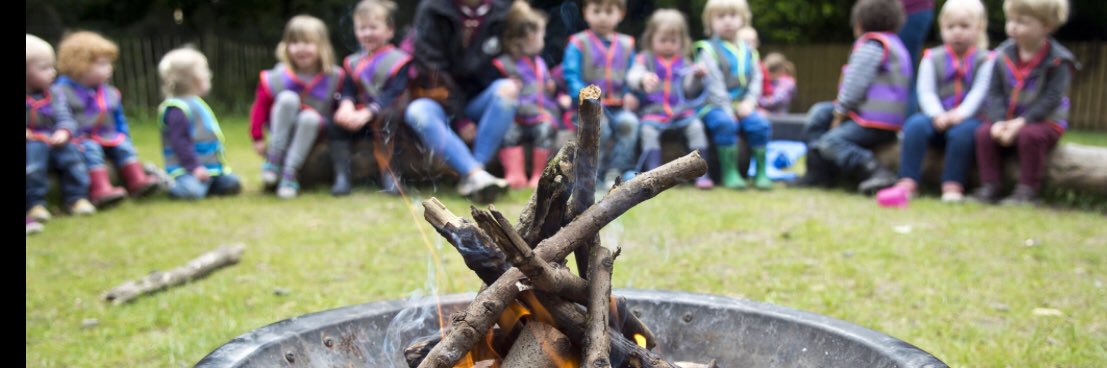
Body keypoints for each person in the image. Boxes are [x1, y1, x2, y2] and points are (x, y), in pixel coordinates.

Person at [877, 0, 993, 204]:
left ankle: (952, 184)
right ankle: (907, 180)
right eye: (950, 27)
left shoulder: (986, 60)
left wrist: (961, 115)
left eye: (964, 26)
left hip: (969, 119)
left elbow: (980, 92)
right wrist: (937, 114)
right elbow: (926, 91)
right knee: (914, 124)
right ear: (942, 28)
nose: (957, 32)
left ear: (979, 28)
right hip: (937, 117)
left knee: (963, 134)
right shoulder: (932, 58)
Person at [797, 0, 913, 194]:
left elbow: (855, 84)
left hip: (872, 122)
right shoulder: (894, 44)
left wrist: (840, 114)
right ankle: (818, 173)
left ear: (859, 23)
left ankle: (875, 172)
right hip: (879, 119)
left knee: (830, 141)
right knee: (818, 113)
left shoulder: (872, 45)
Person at [404, 0, 515, 202]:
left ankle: (474, 172)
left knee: (508, 90)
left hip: (478, 100)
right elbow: (432, 69)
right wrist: (460, 118)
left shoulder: (503, 10)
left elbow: (503, 62)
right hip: (440, 100)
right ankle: (475, 174)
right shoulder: (432, 9)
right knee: (417, 112)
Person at [973, 0, 1076, 206]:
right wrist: (998, 121)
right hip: (1006, 121)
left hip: (1044, 123)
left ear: (1046, 25)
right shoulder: (1002, 55)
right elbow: (994, 91)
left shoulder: (1059, 61)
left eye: (1022, 21)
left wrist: (1022, 122)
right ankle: (990, 185)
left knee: (1030, 137)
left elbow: (1051, 98)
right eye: (1011, 20)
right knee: (984, 134)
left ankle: (1028, 189)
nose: (1013, 26)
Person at [55, 31, 161, 207]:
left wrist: (125, 137)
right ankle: (100, 190)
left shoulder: (109, 93)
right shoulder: (61, 92)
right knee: (92, 151)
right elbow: (61, 118)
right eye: (102, 64)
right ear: (79, 65)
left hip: (108, 135)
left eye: (109, 63)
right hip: (82, 139)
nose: (109, 68)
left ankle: (137, 181)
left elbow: (119, 119)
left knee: (124, 148)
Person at [250, 15, 343, 198]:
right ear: (286, 46)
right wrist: (257, 137)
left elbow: (335, 109)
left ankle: (289, 173)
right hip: (282, 131)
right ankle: (274, 159)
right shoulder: (276, 77)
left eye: (308, 42)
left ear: (322, 46)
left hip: (312, 132)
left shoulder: (334, 77)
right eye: (294, 42)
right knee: (287, 98)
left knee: (309, 118)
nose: (300, 48)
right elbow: (260, 107)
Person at [331, 0, 412, 196]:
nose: (367, 33)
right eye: (362, 28)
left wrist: (368, 112)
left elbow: (393, 93)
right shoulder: (352, 62)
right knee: (334, 122)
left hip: (388, 114)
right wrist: (346, 106)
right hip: (360, 115)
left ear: (389, 30)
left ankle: (390, 175)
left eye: (373, 27)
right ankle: (342, 176)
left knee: (388, 118)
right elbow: (349, 89)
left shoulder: (400, 60)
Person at [628, 9, 714, 188]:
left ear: (682, 41)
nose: (668, 45)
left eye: (673, 41)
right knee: (647, 132)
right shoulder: (645, 59)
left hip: (681, 113)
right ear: (651, 38)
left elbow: (689, 90)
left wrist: (697, 76)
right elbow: (633, 75)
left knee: (697, 127)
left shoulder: (685, 62)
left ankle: (702, 173)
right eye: (663, 40)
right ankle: (653, 175)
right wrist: (642, 79)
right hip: (653, 113)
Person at [694, 0, 773, 190]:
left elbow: (756, 80)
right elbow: (714, 85)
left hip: (743, 106)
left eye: (733, 15)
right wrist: (729, 110)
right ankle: (730, 172)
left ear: (743, 19)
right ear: (710, 22)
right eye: (720, 17)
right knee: (725, 123)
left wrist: (750, 102)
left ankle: (761, 173)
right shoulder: (707, 49)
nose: (727, 21)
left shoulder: (750, 52)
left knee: (760, 124)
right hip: (713, 106)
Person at [562, 0, 641, 189]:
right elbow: (571, 76)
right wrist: (587, 100)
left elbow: (633, 74)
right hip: (587, 107)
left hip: (618, 106)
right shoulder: (578, 43)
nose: (603, 17)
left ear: (620, 14)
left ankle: (616, 171)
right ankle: (591, 174)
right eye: (596, 11)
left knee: (630, 123)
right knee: (599, 127)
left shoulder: (627, 44)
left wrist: (631, 93)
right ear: (585, 13)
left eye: (609, 11)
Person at [27, 33, 96, 222]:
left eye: (52, 66)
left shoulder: (55, 94)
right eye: (44, 68)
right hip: (33, 143)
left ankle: (77, 198)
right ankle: (35, 204)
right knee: (33, 166)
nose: (52, 72)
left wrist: (63, 131)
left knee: (72, 158)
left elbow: (66, 117)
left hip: (56, 140)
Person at [157, 47, 242, 200]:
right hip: (185, 171)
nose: (208, 75)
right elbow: (180, 143)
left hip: (209, 170)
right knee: (192, 192)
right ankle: (164, 182)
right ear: (193, 79)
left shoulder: (196, 103)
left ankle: (204, 186)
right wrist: (194, 168)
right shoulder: (177, 109)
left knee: (232, 183)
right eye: (205, 71)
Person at [494, 1, 559, 189]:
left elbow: (544, 83)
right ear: (530, 37)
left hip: (538, 115)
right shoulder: (505, 63)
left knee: (545, 129)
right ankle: (514, 174)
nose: (543, 41)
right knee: (509, 131)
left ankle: (539, 174)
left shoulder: (540, 63)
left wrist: (550, 86)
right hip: (516, 116)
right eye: (542, 36)